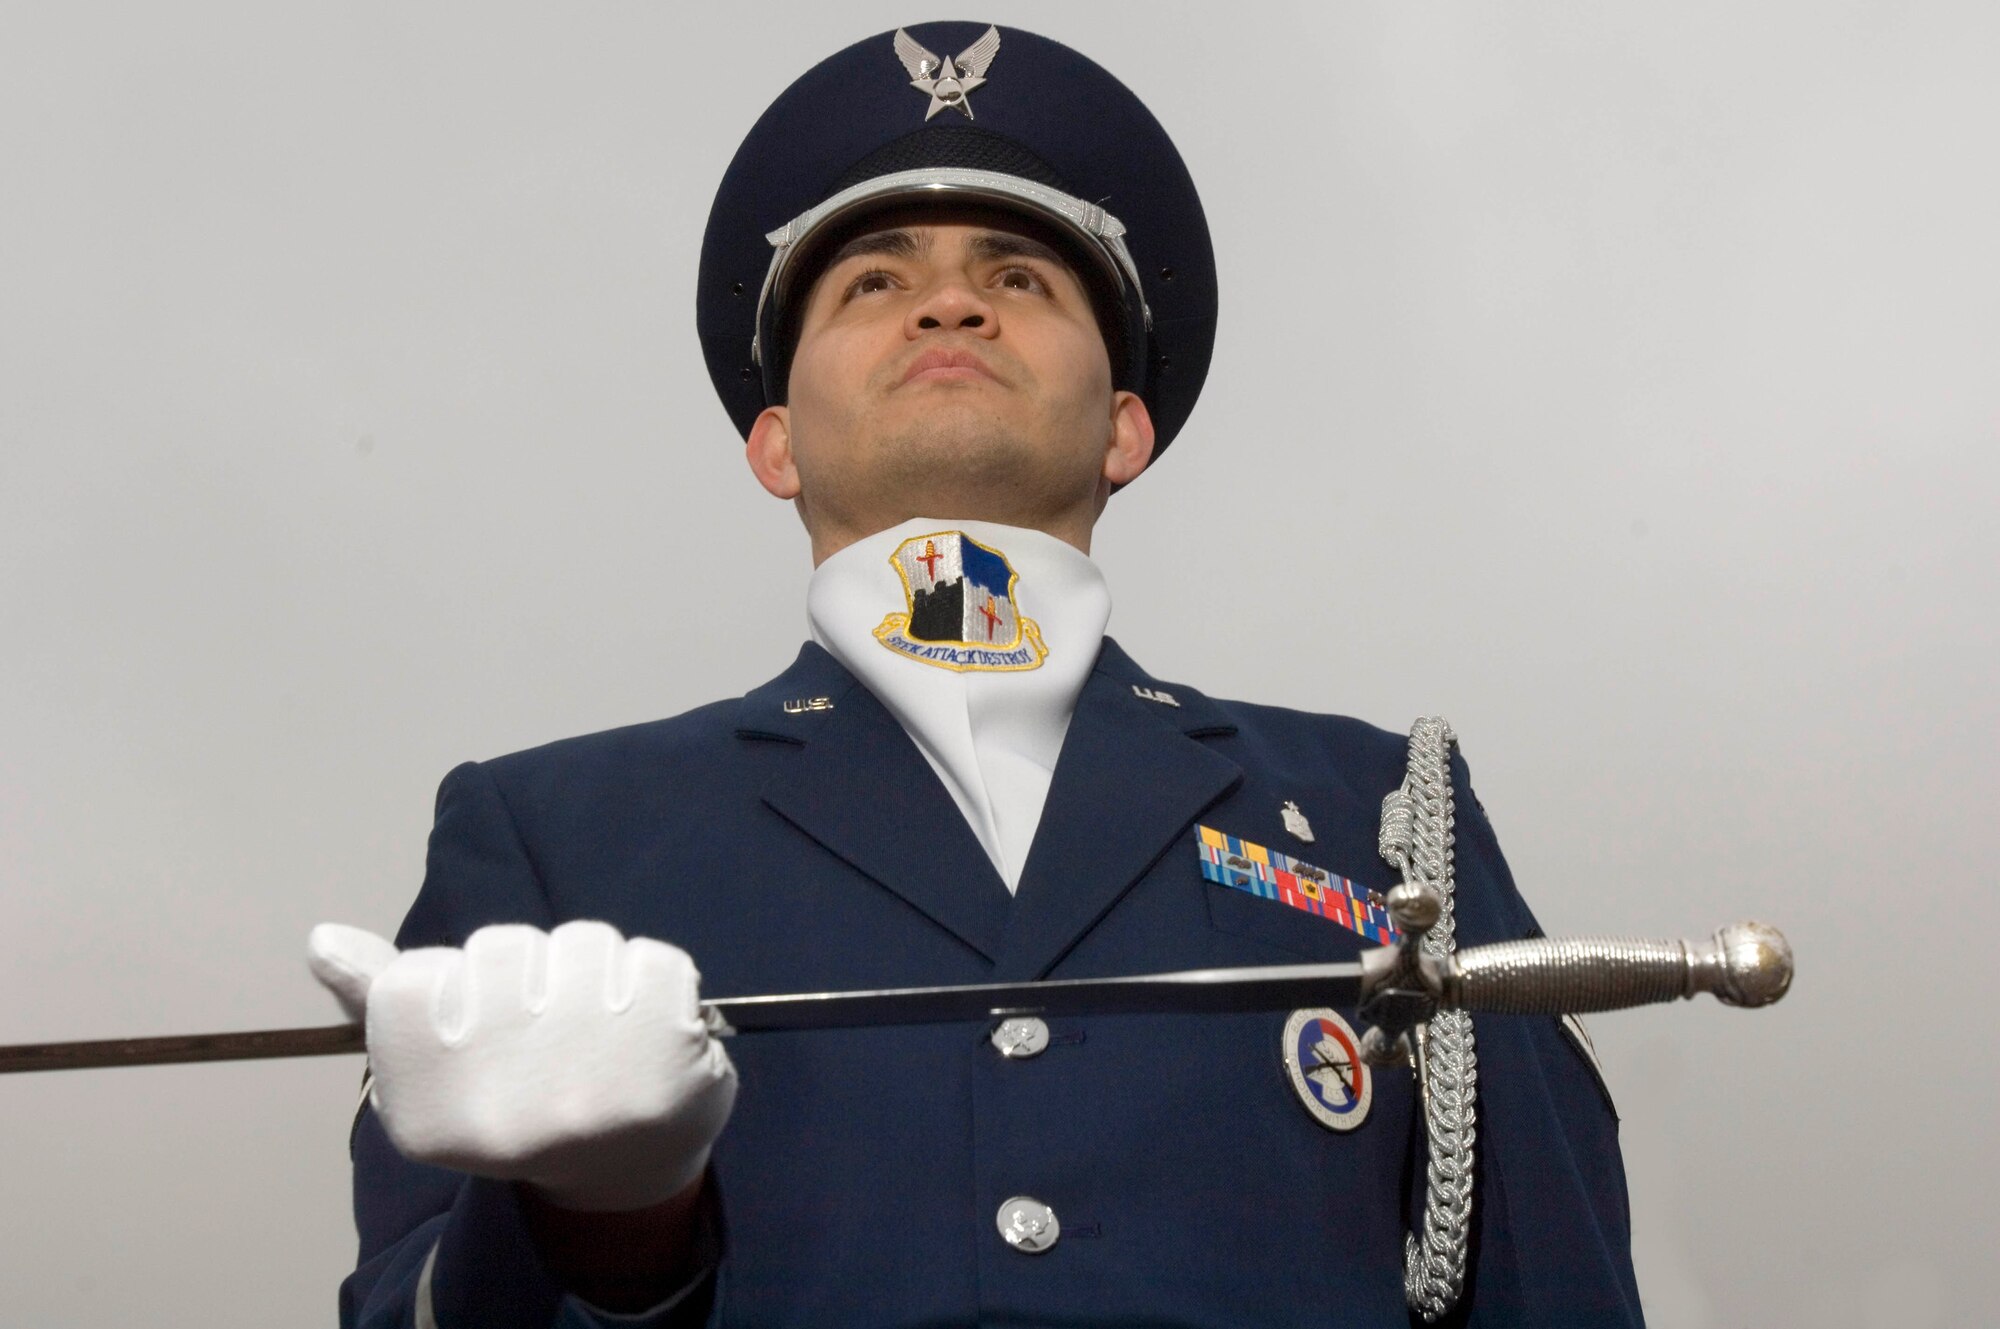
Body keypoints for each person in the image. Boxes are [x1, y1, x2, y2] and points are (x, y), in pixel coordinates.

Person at [308, 21, 1641, 1328]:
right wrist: (598, 1226)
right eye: (873, 283)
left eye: (1022, 278)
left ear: (1127, 424)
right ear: (776, 443)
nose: (952, 299)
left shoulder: (1382, 809)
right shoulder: (555, 834)